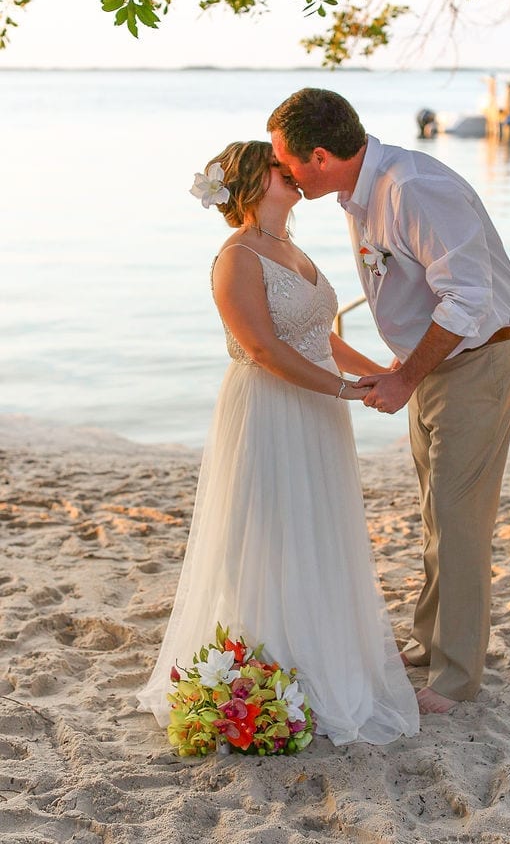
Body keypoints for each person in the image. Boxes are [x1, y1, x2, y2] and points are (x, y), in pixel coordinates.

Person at [136, 140, 419, 746]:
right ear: (248, 182)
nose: (290, 172)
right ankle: (265, 670)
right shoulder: (236, 257)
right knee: (270, 533)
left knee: (317, 529)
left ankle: (321, 660)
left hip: (317, 409)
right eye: (276, 166)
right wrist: (346, 392)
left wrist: (390, 377)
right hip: (268, 408)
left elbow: (320, 333)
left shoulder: (289, 247)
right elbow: (265, 350)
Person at [267, 90, 510, 715]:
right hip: (432, 366)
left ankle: (458, 676)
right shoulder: (362, 193)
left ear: (320, 156)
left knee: (460, 522)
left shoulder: (411, 189)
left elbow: (466, 297)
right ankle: (435, 641)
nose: (285, 175)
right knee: (437, 514)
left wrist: (404, 377)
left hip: (474, 363)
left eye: (287, 162)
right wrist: (403, 371)